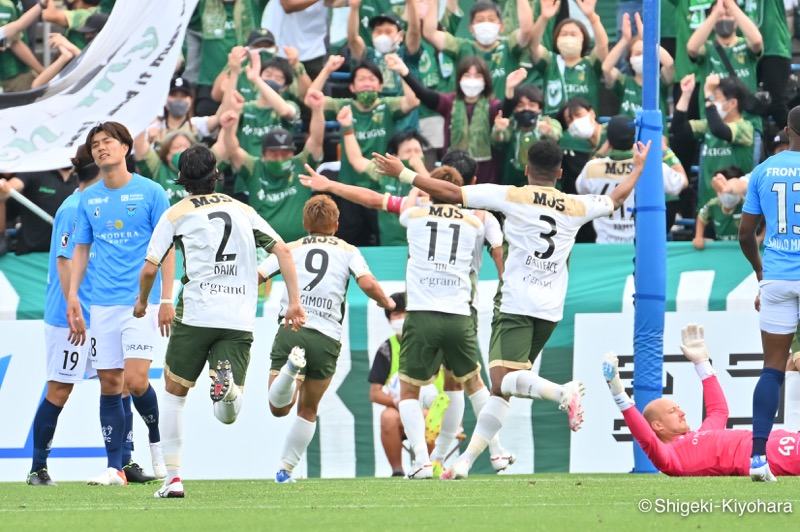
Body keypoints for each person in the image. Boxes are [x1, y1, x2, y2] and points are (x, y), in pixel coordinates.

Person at [373, 137, 652, 479]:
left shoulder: (511, 194)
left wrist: (404, 174)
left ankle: (560, 391)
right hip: (551, 308)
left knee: (502, 381)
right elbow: (616, 198)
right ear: (560, 172)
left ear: (526, 170)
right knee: (501, 389)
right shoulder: (577, 204)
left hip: (517, 302)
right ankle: (468, 462)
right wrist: (637, 169)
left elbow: (449, 194)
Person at [133, 144, 303, 498]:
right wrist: (295, 303)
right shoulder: (242, 209)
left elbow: (151, 267)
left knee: (175, 395)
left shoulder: (176, 213)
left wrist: (142, 301)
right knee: (227, 414)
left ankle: (173, 479)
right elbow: (283, 251)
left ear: (182, 181)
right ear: (216, 175)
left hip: (197, 312)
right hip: (239, 316)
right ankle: (228, 388)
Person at [67, 122, 175, 486]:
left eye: (108, 142)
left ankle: (155, 441)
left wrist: (166, 297)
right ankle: (115, 467)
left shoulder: (152, 192)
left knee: (137, 380)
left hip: (139, 304)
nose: (101, 149)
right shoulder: (88, 198)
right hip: (102, 304)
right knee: (110, 384)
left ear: (126, 147)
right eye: (95, 145)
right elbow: (81, 248)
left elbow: (168, 247)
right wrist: (73, 297)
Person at [260, 194, 395, 483]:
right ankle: (285, 471)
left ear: (304, 223)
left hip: (293, 327)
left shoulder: (290, 248)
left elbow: (258, 274)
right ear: (336, 224)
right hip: (327, 338)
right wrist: (387, 302)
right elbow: (367, 282)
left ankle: (290, 370)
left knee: (278, 407)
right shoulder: (348, 250)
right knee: (308, 409)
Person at [602, 324, 800, 479]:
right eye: (672, 411)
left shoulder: (703, 433)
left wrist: (701, 363)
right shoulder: (671, 459)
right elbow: (647, 439)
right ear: (657, 425)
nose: (682, 412)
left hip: (771, 441)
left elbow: (718, 412)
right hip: (769, 455)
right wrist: (620, 397)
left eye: (678, 408)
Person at [27, 146, 100, 486]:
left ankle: (123, 461)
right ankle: (37, 468)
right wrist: (75, 307)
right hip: (69, 318)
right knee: (59, 389)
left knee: (121, 382)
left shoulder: (96, 205)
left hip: (98, 312)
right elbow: (64, 260)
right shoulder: (74, 208)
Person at [738, 105, 800, 481]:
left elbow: (746, 234)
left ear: (788, 130)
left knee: (772, 369)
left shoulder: (764, 170)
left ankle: (758, 458)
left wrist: (761, 272)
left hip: (776, 276)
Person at [222, 87, 325, 242]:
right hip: (263, 248)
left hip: (300, 246)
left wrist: (317, 110)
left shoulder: (302, 164)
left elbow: (316, 139)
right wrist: (229, 128)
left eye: (285, 154)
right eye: (274, 154)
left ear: (292, 153)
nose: (279, 158)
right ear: (263, 155)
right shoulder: (254, 168)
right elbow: (233, 150)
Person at [392, 53, 507, 184]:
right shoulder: (450, 102)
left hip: (486, 177)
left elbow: (506, 109)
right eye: (467, 75)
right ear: (459, 79)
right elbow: (425, 95)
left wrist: (509, 91)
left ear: (485, 80)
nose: (472, 80)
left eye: (477, 76)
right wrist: (405, 72)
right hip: (454, 175)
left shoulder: (492, 106)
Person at [575, 115, 687, 244]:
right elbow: (682, 182)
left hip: (605, 247)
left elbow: (580, 188)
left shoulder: (592, 168)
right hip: (640, 247)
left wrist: (601, 152)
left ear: (609, 142)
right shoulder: (651, 167)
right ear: (636, 139)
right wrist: (665, 149)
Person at [335, 104, 429, 245]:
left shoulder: (431, 176)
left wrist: (419, 168)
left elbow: (433, 193)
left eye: (417, 151)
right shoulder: (384, 173)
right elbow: (356, 160)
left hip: (421, 245)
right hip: (390, 246)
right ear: (396, 156)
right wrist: (347, 128)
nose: (414, 156)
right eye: (408, 152)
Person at [671, 73, 754, 211]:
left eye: (716, 97)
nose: (712, 100)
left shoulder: (745, 128)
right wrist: (686, 94)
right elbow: (678, 129)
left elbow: (719, 130)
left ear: (732, 103)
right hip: (708, 207)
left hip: (737, 210)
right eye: (712, 97)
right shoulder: (708, 126)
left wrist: (708, 94)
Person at [420, 0, 534, 100]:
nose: (486, 24)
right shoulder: (461, 47)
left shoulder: (509, 47)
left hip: (502, 119)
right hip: (467, 119)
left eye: (491, 19)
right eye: (480, 20)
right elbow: (430, 33)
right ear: (471, 27)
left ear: (501, 26)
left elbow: (527, 29)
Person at [602, 12, 674, 124]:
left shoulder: (659, 82)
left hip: (657, 138)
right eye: (637, 53)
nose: (642, 57)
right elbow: (606, 68)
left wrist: (649, 41)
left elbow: (669, 64)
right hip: (628, 138)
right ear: (629, 59)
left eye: (646, 53)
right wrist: (624, 40)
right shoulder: (624, 83)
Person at [492, 79, 563, 186]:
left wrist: (549, 132)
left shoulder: (547, 122)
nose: (526, 109)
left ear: (540, 108)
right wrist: (498, 131)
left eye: (532, 105)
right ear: (514, 109)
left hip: (543, 180)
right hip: (513, 181)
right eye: (520, 105)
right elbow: (498, 139)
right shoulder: (510, 124)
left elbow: (556, 134)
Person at [0, 164, 78, 255]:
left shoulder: (83, 177)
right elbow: (12, 186)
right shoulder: (35, 171)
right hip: (31, 255)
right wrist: (5, 187)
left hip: (68, 255)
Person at [693, 166, 748, 249]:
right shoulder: (713, 204)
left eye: (730, 191)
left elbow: (769, 219)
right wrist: (698, 237)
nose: (728, 196)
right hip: (722, 250)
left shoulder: (749, 205)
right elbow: (701, 217)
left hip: (744, 250)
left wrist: (761, 237)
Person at [0, 0, 44, 93]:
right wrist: (42, 71)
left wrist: (41, 5)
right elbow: (15, 37)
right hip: (11, 74)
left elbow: (18, 26)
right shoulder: (4, 6)